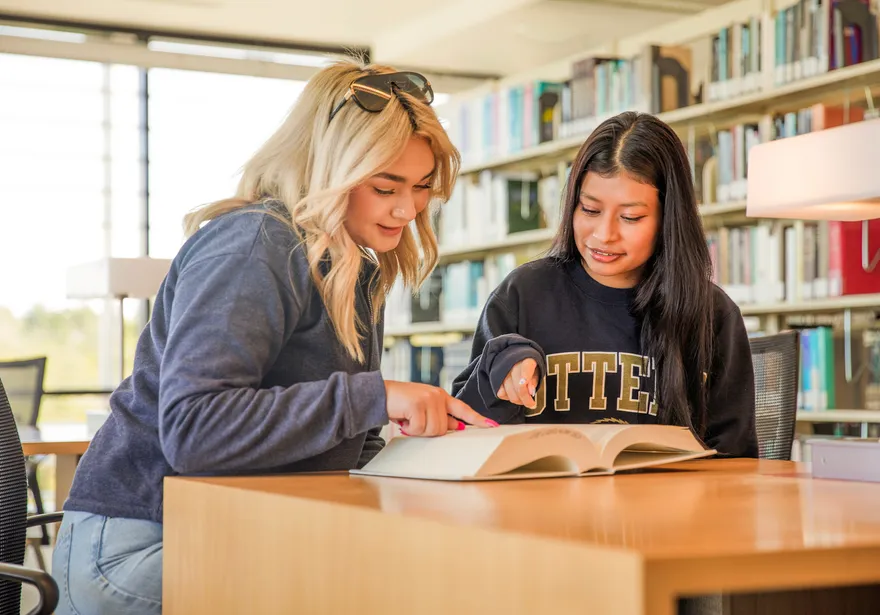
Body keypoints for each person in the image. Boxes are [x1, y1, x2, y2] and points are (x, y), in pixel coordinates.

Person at [52, 59, 497, 615]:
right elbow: (195, 430)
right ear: (327, 169)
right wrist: (375, 397)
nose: (407, 209)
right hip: (140, 543)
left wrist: (420, 456)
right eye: (386, 186)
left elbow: (337, 446)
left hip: (229, 524)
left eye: (422, 188)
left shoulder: (352, 268)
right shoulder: (255, 245)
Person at [452, 111, 757, 458]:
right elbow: (466, 426)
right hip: (541, 504)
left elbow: (735, 455)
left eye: (630, 217)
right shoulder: (524, 293)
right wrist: (503, 365)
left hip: (667, 507)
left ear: (668, 219)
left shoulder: (712, 313)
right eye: (590, 209)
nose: (603, 235)